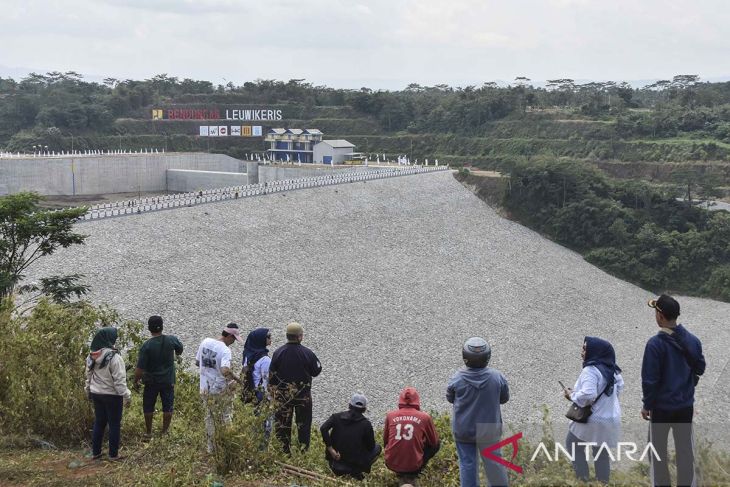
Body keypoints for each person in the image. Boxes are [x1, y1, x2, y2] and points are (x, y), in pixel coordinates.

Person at [642, 294, 706, 487]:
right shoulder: (692, 340)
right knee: (686, 451)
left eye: (655, 311)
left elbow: (650, 380)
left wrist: (647, 405)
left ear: (660, 316)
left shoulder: (655, 344)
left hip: (661, 408)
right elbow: (701, 368)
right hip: (685, 406)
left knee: (657, 451)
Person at [447, 337, 509, 487]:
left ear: (465, 357)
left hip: (464, 430)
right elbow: (504, 398)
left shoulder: (457, 378)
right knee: (494, 464)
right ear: (487, 357)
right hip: (489, 430)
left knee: (467, 465)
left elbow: (450, 398)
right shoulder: (497, 377)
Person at [563, 337, 623, 484]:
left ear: (595, 352)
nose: (582, 352)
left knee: (573, 444)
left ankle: (582, 480)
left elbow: (589, 395)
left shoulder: (590, 370)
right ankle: (602, 483)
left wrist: (572, 396)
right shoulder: (613, 370)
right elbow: (620, 387)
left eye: (585, 349)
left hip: (593, 418)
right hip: (610, 418)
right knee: (601, 455)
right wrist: (606, 403)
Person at [269, 321, 322, 454]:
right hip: (303, 397)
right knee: (304, 425)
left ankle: (283, 451)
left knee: (282, 426)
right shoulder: (307, 353)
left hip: (283, 397)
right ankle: (303, 452)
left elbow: (271, 375)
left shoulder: (278, 353)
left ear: (287, 336)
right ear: (300, 336)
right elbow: (316, 370)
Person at [85, 327, 132, 461]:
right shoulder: (115, 358)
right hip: (112, 396)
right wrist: (127, 396)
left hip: (96, 394)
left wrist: (88, 391)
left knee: (99, 422)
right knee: (114, 424)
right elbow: (119, 382)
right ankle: (113, 455)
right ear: (109, 340)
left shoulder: (91, 356)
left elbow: (88, 377)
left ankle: (96, 453)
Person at [196, 323, 244, 453]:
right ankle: (227, 445)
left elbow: (197, 362)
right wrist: (238, 380)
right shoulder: (225, 350)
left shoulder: (205, 342)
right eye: (233, 338)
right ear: (228, 336)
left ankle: (211, 447)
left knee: (209, 416)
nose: (234, 341)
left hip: (205, 387)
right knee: (226, 416)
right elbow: (225, 370)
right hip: (220, 389)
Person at [133, 315, 184, 437]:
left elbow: (140, 369)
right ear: (162, 326)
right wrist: (176, 353)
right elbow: (180, 348)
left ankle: (149, 432)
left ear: (149, 328)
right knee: (168, 406)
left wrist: (136, 381)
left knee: (148, 406)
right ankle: (165, 432)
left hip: (151, 381)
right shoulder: (171, 340)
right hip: (168, 380)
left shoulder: (147, 346)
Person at [384, 387, 440, 485]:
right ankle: (414, 470)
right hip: (414, 466)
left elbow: (385, 441)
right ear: (417, 400)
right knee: (437, 443)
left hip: (392, 463)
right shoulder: (424, 417)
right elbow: (434, 442)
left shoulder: (390, 415)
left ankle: (400, 471)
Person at [320, 393, 381, 480]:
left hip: (334, 462)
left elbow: (323, 428)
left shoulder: (336, 417)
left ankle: (340, 469)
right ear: (364, 409)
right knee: (377, 448)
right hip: (353, 466)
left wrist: (331, 449)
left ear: (349, 405)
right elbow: (371, 447)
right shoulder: (366, 424)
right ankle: (358, 471)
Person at [242, 327, 273, 445]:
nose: (270, 339)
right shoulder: (265, 359)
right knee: (265, 428)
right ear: (261, 340)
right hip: (262, 398)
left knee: (252, 427)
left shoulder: (248, 354)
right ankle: (262, 453)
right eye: (268, 337)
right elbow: (267, 381)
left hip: (250, 394)